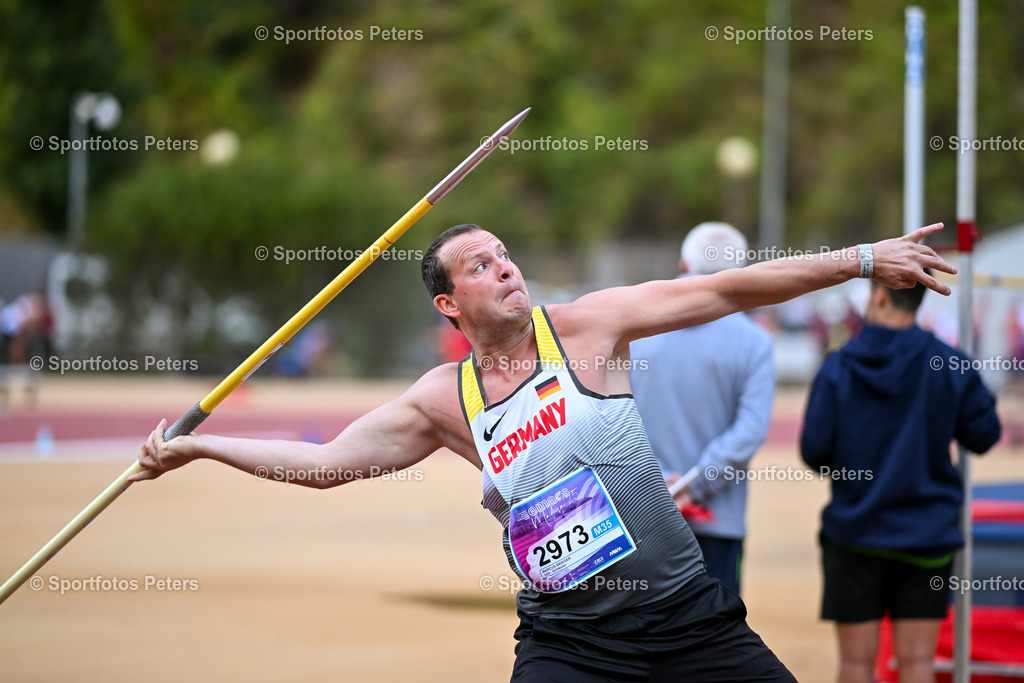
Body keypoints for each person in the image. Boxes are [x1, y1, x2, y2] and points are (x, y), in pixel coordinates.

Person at [135, 222, 955, 681]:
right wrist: (199, 446)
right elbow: (326, 465)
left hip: (687, 618)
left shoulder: (588, 327)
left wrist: (861, 260)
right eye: (480, 265)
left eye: (505, 254)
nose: (505, 267)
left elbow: (725, 288)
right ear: (449, 303)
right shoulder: (443, 399)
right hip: (570, 643)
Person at [800, 275, 1001, 683]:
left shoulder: (838, 366)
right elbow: (984, 434)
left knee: (856, 664)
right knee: (917, 662)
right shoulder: (949, 362)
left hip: (855, 532)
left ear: (879, 295)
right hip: (927, 534)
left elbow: (815, 449)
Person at [630, 222, 773, 595]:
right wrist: (694, 484)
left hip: (641, 516)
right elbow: (749, 431)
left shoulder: (637, 333)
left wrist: (661, 483)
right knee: (716, 628)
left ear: (683, 265)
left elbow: (613, 421)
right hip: (718, 522)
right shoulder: (755, 343)